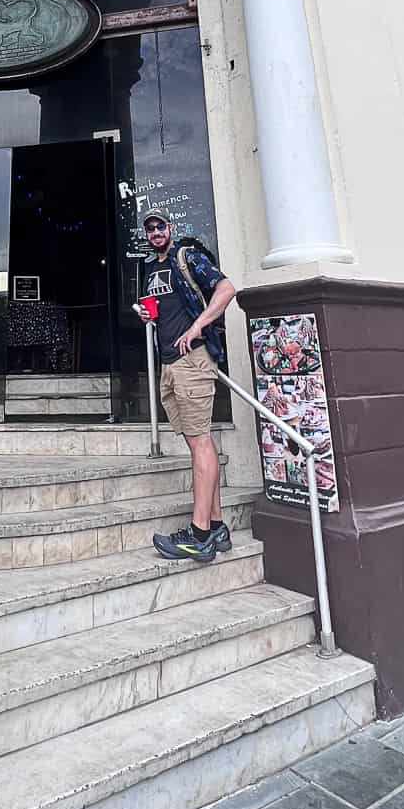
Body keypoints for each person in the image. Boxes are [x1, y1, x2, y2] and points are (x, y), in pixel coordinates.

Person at [135, 207, 237, 564]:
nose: (155, 232)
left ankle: (199, 537)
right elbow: (161, 309)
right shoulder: (149, 270)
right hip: (169, 364)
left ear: (170, 227)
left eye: (160, 226)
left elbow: (226, 288)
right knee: (198, 444)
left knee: (201, 442)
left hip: (192, 361)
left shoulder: (187, 256)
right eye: (149, 228)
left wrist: (197, 327)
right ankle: (218, 525)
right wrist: (149, 315)